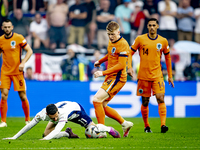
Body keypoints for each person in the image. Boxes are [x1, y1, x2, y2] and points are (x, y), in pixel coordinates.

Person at [128, 18, 174, 133]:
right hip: (143, 76)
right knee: (145, 101)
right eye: (150, 25)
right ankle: (147, 126)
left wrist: (170, 75)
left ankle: (163, 125)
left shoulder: (163, 41)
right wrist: (129, 67)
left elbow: (168, 58)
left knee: (160, 98)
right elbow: (130, 53)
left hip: (157, 75)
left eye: (154, 25)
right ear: (147, 27)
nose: (152, 27)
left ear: (157, 26)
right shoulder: (140, 39)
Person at [92, 21, 133, 138]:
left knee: (96, 100)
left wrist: (102, 72)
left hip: (117, 78)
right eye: (109, 34)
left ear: (118, 32)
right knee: (102, 105)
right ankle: (124, 124)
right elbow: (110, 54)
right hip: (110, 77)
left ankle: (101, 131)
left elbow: (121, 65)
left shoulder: (123, 44)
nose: (110, 37)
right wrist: (100, 61)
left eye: (113, 34)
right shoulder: (111, 41)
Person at [3, 101, 121, 140]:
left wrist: (43, 141)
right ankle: (67, 133)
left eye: (56, 116)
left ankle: (108, 129)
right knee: (46, 133)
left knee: (91, 131)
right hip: (66, 110)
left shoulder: (61, 114)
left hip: (77, 112)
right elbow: (29, 126)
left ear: (57, 112)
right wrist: (14, 137)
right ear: (47, 114)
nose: (55, 118)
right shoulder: (42, 114)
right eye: (52, 117)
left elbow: (56, 130)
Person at [0, 19, 33, 127]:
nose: (7, 29)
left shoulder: (18, 38)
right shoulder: (0, 40)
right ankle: (3, 121)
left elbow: (30, 50)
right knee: (4, 95)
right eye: (5, 27)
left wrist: (23, 63)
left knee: (22, 96)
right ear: (2, 28)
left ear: (12, 27)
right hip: (5, 72)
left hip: (17, 72)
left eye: (9, 27)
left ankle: (27, 119)